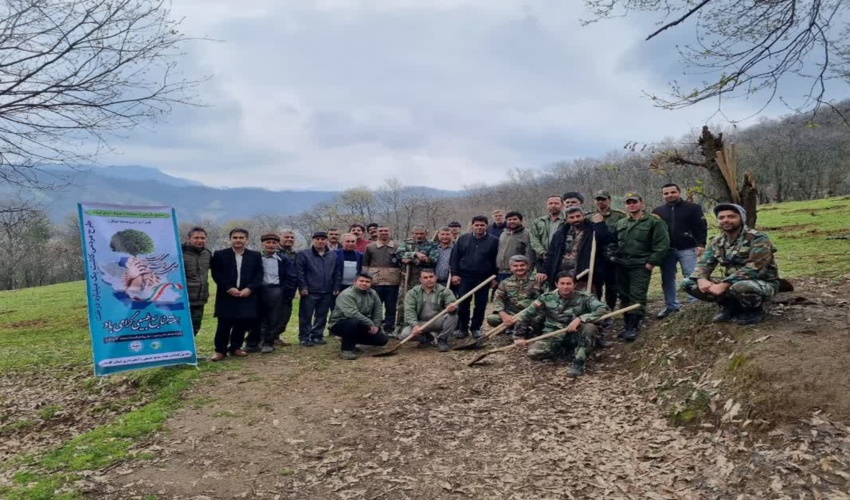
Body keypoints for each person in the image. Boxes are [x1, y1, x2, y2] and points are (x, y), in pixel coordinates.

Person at [680, 203, 780, 325]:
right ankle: (730, 306)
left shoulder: (757, 238)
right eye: (721, 218)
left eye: (731, 216)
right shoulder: (717, 241)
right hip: (730, 283)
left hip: (761, 282)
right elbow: (704, 263)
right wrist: (701, 278)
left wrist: (725, 284)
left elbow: (755, 268)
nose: (726, 220)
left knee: (741, 286)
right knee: (688, 283)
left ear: (741, 219)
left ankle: (753, 310)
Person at [514, 272, 609, 377]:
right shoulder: (546, 298)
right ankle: (566, 351)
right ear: (556, 284)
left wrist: (581, 319)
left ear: (574, 285)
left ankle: (579, 363)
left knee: (590, 327)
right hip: (553, 334)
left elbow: (603, 309)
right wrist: (519, 336)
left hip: (576, 334)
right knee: (534, 353)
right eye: (562, 283)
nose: (565, 286)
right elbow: (526, 315)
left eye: (568, 284)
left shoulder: (585, 298)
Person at [612, 192, 670, 340]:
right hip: (622, 264)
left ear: (642, 203)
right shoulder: (621, 223)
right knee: (623, 295)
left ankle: (633, 326)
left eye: (634, 202)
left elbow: (662, 244)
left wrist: (652, 262)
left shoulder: (654, 222)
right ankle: (627, 322)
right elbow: (614, 242)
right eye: (628, 202)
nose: (631, 205)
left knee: (637, 294)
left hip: (641, 264)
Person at [652, 183, 708, 319]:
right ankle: (671, 306)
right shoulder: (657, 211)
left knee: (691, 276)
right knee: (667, 279)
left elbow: (701, 226)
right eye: (666, 193)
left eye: (672, 192)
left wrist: (701, 244)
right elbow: (654, 231)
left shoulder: (693, 208)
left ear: (679, 192)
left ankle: (695, 306)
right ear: (663, 195)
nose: (670, 195)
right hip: (667, 250)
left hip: (688, 247)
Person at [210, 228, 263, 361]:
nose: (238, 240)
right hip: (227, 294)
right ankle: (220, 350)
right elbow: (216, 274)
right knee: (224, 324)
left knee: (242, 322)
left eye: (241, 237)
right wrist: (228, 288)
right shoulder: (220, 254)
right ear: (230, 239)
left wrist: (249, 289)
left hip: (246, 294)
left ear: (247, 239)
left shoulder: (255, 255)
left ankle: (236, 347)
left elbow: (259, 275)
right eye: (235, 237)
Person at [245, 234, 297, 353]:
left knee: (274, 318)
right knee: (255, 317)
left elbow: (291, 277)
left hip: (276, 290)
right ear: (263, 244)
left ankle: (268, 342)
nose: (271, 245)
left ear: (277, 245)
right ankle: (252, 343)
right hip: (258, 290)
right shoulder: (255, 258)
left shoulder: (283, 259)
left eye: (274, 243)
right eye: (268, 242)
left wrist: (285, 291)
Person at [539, 207, 612, 292]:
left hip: (584, 275)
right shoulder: (560, 234)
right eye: (572, 217)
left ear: (583, 216)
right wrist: (543, 270)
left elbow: (604, 240)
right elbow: (551, 254)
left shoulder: (593, 230)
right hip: (562, 275)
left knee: (586, 301)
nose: (576, 219)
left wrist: (600, 224)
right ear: (566, 219)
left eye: (578, 216)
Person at [450, 215, 499, 339]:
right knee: (463, 303)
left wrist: (494, 277)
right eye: (477, 225)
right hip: (465, 276)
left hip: (484, 278)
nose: (479, 227)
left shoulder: (493, 241)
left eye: (482, 225)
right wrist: (455, 274)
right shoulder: (463, 239)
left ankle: (476, 328)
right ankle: (463, 328)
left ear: (486, 226)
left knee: (481, 304)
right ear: (472, 226)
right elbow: (455, 258)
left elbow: (495, 261)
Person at [296, 231, 342, 347]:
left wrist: (336, 286)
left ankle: (317, 335)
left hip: (327, 291)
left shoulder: (332, 255)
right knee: (306, 315)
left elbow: (337, 272)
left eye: (322, 239)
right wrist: (303, 287)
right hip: (310, 291)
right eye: (317, 239)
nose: (320, 241)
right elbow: (300, 272)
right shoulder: (304, 254)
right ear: (313, 240)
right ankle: (304, 337)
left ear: (326, 241)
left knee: (322, 315)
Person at [328, 272, 389, 360]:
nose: (364, 283)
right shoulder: (347, 294)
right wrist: (370, 323)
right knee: (353, 322)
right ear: (355, 281)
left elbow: (378, 310)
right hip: (340, 323)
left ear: (371, 284)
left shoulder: (373, 293)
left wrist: (376, 325)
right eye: (361, 281)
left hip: (361, 323)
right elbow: (352, 313)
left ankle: (349, 340)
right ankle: (346, 350)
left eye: (367, 282)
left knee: (382, 340)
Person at [400, 268, 458, 352]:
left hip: (438, 321)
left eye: (431, 276)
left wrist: (452, 308)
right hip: (420, 323)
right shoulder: (412, 293)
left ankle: (442, 339)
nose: (429, 279)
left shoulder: (445, 291)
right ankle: (427, 338)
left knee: (453, 317)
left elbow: (452, 303)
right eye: (425, 277)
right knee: (405, 334)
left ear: (436, 277)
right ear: (420, 279)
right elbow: (409, 311)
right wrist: (414, 325)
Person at [587, 190, 627, 312]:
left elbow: (622, 236)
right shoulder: (589, 217)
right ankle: (597, 311)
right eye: (598, 200)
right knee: (596, 287)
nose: (600, 202)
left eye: (603, 199)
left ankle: (609, 310)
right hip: (595, 258)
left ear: (609, 200)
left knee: (612, 287)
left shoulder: (619, 216)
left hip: (612, 257)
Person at [487, 255, 543, 338]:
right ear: (511, 268)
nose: (519, 268)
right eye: (515, 266)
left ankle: (519, 329)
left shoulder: (538, 280)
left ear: (528, 266)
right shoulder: (505, 283)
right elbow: (498, 299)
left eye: (522, 265)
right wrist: (504, 315)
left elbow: (547, 298)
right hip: (512, 314)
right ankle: (518, 328)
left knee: (540, 320)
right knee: (492, 319)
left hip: (531, 314)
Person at [363, 224, 401, 335]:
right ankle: (376, 327)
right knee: (375, 306)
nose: (383, 233)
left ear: (390, 232)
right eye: (381, 231)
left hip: (393, 282)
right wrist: (366, 280)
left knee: (391, 306)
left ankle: (389, 328)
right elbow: (365, 265)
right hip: (375, 282)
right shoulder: (370, 247)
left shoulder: (398, 246)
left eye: (386, 230)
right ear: (377, 232)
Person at [182, 227, 212, 336]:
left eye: (202, 238)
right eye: (196, 238)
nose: (200, 240)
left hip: (200, 299)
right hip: (183, 299)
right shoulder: (180, 253)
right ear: (189, 238)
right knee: (181, 328)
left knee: (195, 327)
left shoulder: (207, 254)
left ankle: (192, 352)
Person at [274, 230, 298, 346]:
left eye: (292, 237)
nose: (289, 239)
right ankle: (263, 338)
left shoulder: (295, 254)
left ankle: (276, 336)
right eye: (286, 237)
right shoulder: (273, 250)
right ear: (280, 237)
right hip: (274, 288)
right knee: (270, 314)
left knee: (285, 315)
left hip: (289, 289)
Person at [397, 224, 439, 292]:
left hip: (426, 278)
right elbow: (399, 254)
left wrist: (412, 259)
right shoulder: (406, 243)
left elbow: (433, 260)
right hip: (408, 277)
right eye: (416, 233)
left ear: (426, 234)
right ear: (412, 233)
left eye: (421, 234)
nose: (419, 236)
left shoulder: (432, 244)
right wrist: (415, 253)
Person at [495, 211, 535, 283]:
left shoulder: (527, 234)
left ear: (521, 220)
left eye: (515, 219)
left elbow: (530, 253)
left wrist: (528, 270)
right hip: (501, 272)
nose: (512, 221)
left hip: (518, 272)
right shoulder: (503, 234)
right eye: (509, 220)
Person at [529, 195, 565, 263]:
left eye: (556, 203)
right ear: (547, 205)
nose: (553, 205)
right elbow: (534, 240)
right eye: (550, 203)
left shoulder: (568, 221)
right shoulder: (538, 221)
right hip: (543, 260)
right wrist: (542, 253)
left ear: (562, 205)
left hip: (562, 259)